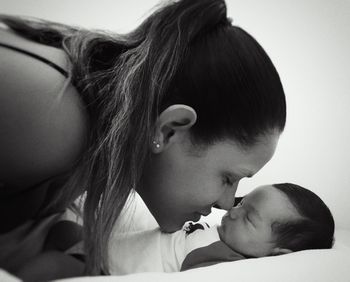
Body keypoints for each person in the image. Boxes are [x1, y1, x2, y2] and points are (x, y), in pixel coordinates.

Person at [0, 0, 287, 279]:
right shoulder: (54, 113)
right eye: (228, 178)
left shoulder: (86, 129)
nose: (227, 204)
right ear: (169, 130)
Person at [100, 183, 334, 274]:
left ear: (276, 256)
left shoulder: (227, 262)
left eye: (249, 218)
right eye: (241, 203)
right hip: (108, 246)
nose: (233, 211)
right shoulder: (224, 231)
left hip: (109, 269)